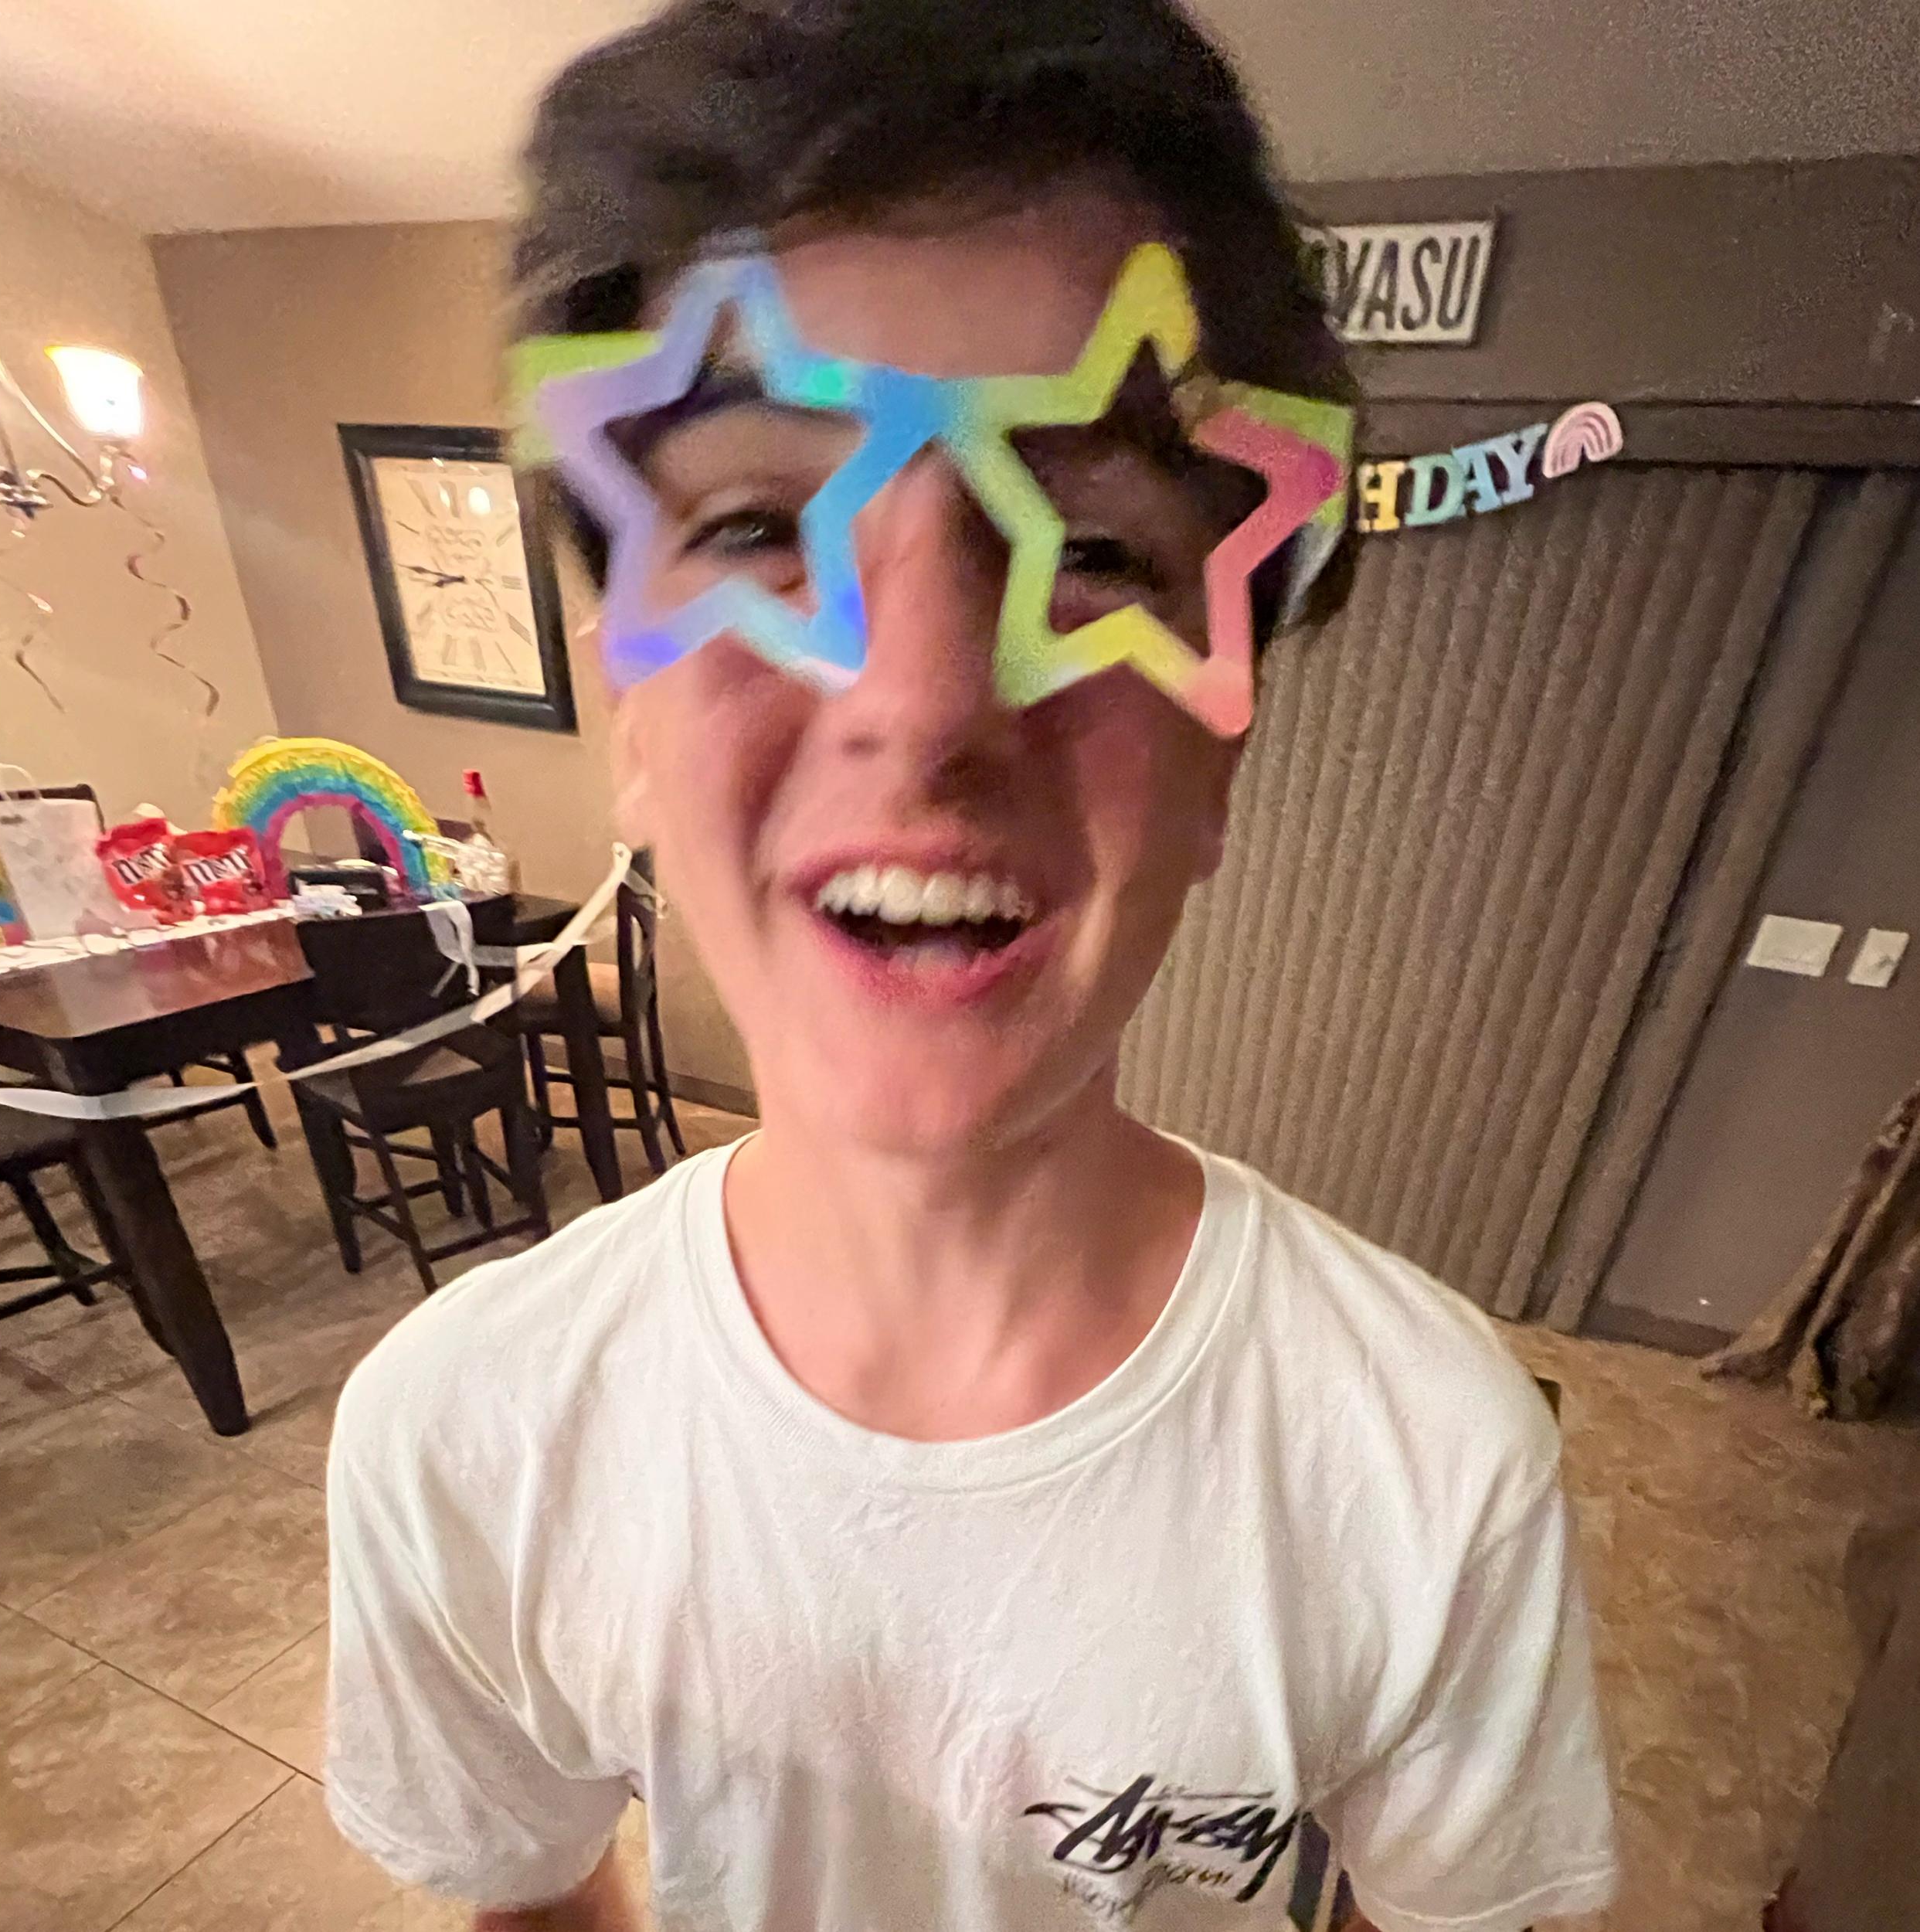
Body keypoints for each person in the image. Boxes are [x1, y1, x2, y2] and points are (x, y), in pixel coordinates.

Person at [323, 3, 1619, 1929]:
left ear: (1219, 754)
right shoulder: (467, 1437)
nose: (924, 705)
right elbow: (528, 1893)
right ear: (631, 724)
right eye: (760, 527)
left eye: (1086, 552)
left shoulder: (1425, 1467)